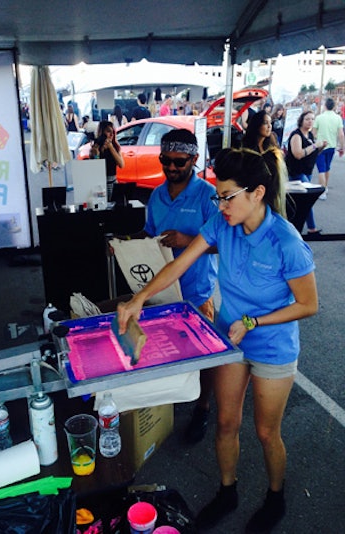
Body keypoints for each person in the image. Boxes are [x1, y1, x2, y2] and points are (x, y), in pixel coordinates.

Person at [117, 146, 318, 533]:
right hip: (231, 338)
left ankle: (275, 496)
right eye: (218, 196)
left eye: (227, 196)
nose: (221, 205)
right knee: (225, 422)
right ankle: (228, 492)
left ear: (257, 193)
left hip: (272, 346)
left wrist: (253, 321)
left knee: (265, 431)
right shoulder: (222, 226)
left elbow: (308, 304)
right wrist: (137, 300)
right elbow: (179, 262)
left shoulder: (286, 241)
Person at [118, 128, 219, 443]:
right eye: (166, 160)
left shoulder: (207, 195)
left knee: (203, 357)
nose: (171, 167)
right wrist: (126, 245)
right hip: (163, 292)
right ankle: (174, 400)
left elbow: (223, 242)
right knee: (169, 350)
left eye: (179, 161)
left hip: (197, 292)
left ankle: (202, 407)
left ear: (194, 159)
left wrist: (188, 240)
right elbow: (150, 234)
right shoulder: (157, 195)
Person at [286, 110, 327, 235]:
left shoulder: (309, 136)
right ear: (301, 121)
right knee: (306, 200)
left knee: (302, 202)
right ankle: (311, 228)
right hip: (297, 172)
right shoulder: (296, 135)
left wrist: (320, 147)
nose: (310, 122)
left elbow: (310, 154)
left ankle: (300, 226)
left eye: (312, 119)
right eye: (307, 119)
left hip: (306, 171)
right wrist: (315, 146)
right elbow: (298, 154)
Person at [312, 97, 345, 200]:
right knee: (327, 167)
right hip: (332, 145)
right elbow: (341, 134)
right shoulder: (338, 118)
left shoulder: (319, 118)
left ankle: (322, 190)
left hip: (321, 145)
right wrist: (342, 147)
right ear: (334, 106)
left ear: (325, 106)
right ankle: (325, 187)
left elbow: (313, 132)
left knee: (321, 169)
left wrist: (316, 140)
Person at [90, 121, 124, 201]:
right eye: (108, 131)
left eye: (113, 132)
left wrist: (111, 147)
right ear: (102, 132)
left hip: (113, 183)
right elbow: (95, 169)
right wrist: (97, 154)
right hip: (100, 184)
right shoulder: (96, 146)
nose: (111, 134)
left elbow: (121, 164)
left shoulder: (115, 146)